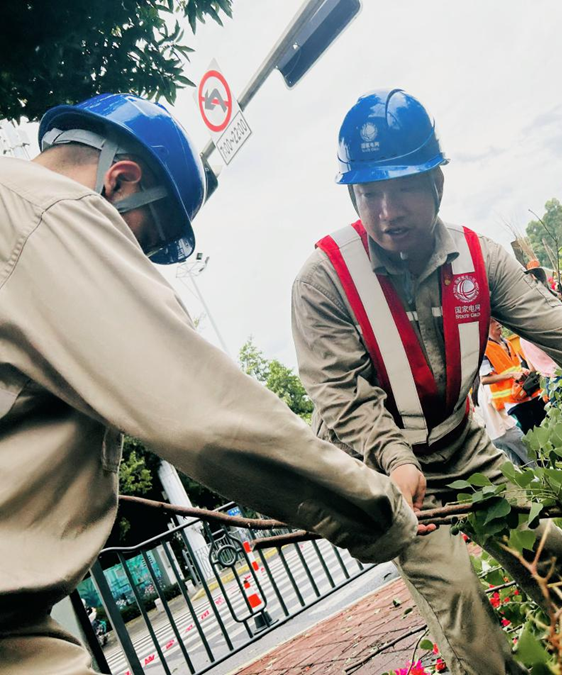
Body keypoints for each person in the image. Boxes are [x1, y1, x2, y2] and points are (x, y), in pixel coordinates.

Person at [291, 89, 562, 675]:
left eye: (402, 189)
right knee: (463, 605)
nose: (386, 210)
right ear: (353, 194)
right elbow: (340, 396)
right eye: (369, 193)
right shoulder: (323, 280)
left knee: (559, 563)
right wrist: (396, 461)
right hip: (380, 469)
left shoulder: (480, 260)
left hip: (460, 443)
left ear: (437, 183)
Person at [0, 93, 420, 675]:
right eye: (145, 242)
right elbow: (206, 417)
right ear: (119, 182)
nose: (138, 260)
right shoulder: (56, 213)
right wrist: (380, 512)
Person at [480, 319, 547, 433]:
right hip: (514, 402)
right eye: (492, 322)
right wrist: (512, 375)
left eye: (497, 321)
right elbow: (484, 379)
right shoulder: (484, 350)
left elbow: (516, 366)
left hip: (530, 394)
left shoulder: (507, 342)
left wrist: (523, 371)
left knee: (548, 427)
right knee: (533, 437)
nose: (498, 324)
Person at [474, 382, 530, 466]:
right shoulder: (488, 386)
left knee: (515, 468)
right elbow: (498, 405)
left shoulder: (474, 393)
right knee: (533, 460)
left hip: (493, 436)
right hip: (506, 429)